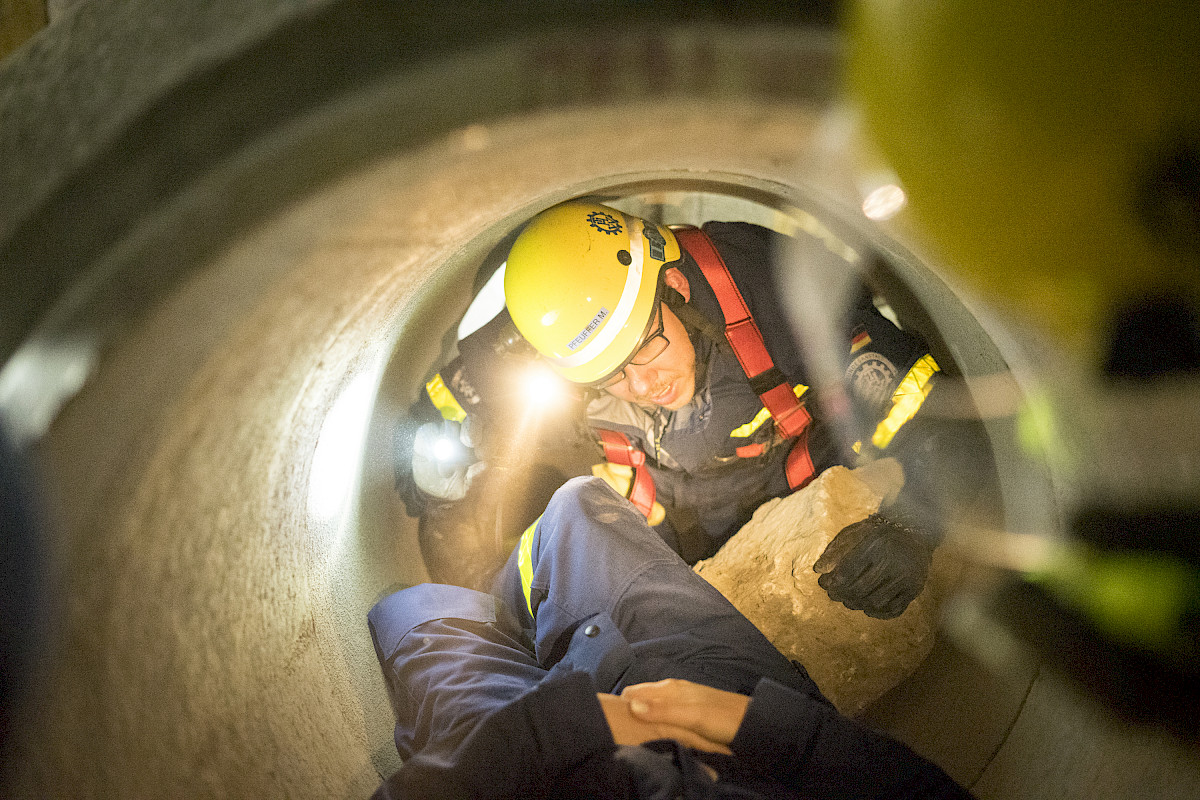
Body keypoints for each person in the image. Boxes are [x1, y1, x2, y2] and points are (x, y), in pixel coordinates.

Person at [397, 200, 992, 619]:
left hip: (795, 495)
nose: (640, 383)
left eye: (645, 348)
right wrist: (424, 425)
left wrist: (916, 526)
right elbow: (470, 378)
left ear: (674, 288)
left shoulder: (776, 291)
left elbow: (930, 405)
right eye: (610, 374)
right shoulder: (565, 330)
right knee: (469, 535)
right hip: (667, 528)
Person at [368, 476, 975, 799]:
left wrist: (563, 724)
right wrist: (737, 715)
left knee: (411, 614)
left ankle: (497, 611)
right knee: (578, 509)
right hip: (737, 729)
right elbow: (906, 786)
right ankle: (513, 600)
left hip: (550, 772)